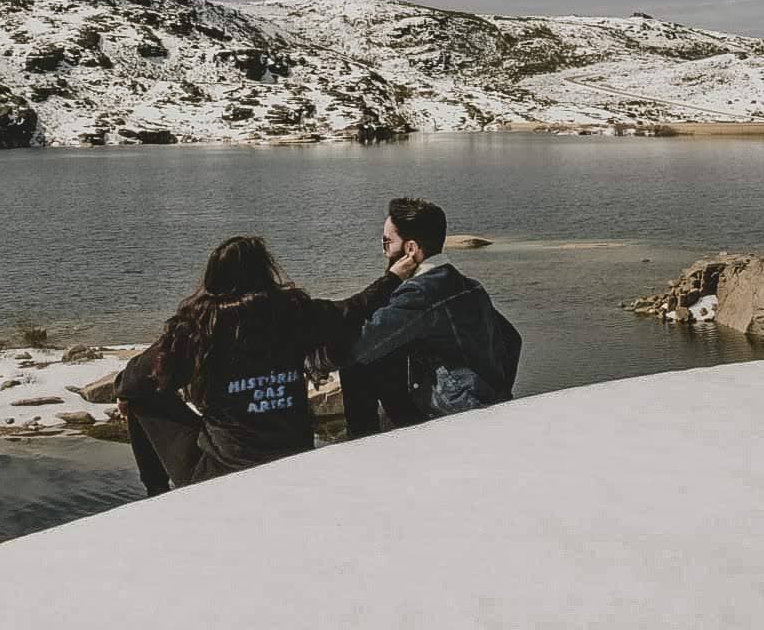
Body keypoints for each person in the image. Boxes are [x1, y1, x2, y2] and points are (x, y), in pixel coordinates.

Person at [116, 234, 418, 495]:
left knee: (137, 395)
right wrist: (393, 277)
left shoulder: (200, 326)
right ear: (265, 271)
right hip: (293, 456)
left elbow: (135, 380)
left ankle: (156, 494)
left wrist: (123, 391)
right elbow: (354, 308)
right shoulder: (293, 313)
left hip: (221, 472)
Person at [339, 198, 521, 437]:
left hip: (452, 410)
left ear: (411, 249)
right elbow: (512, 339)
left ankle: (362, 447)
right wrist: (497, 390)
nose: (384, 251)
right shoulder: (468, 285)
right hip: (478, 399)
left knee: (354, 361)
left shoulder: (419, 292)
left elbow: (361, 346)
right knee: (384, 347)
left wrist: (318, 359)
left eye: (387, 243)